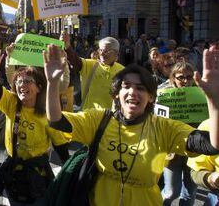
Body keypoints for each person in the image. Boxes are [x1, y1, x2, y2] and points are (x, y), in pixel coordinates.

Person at [45, 44, 219, 205]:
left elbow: (211, 144)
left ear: (151, 97)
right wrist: (52, 84)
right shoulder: (99, 120)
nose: (132, 92)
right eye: (126, 86)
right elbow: (56, 120)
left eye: (141, 88)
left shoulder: (164, 127)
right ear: (116, 94)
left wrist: (214, 100)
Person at [0, 37, 69, 205]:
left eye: (28, 81)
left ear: (39, 87)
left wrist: (70, 176)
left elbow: (61, 148)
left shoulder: (47, 113)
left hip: (37, 175)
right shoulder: (11, 103)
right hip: (13, 173)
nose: (22, 84)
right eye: (19, 81)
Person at [159, 62, 198, 205]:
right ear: (173, 77)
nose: (186, 81)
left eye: (189, 77)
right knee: (171, 192)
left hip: (195, 149)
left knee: (190, 192)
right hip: (172, 151)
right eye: (181, 77)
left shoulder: (200, 92)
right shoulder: (163, 93)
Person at [62, 31, 124, 110]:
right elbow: (75, 61)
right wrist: (67, 46)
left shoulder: (122, 71)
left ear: (116, 54)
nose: (102, 54)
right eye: (101, 50)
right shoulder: (90, 65)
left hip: (111, 118)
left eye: (107, 51)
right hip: (88, 117)